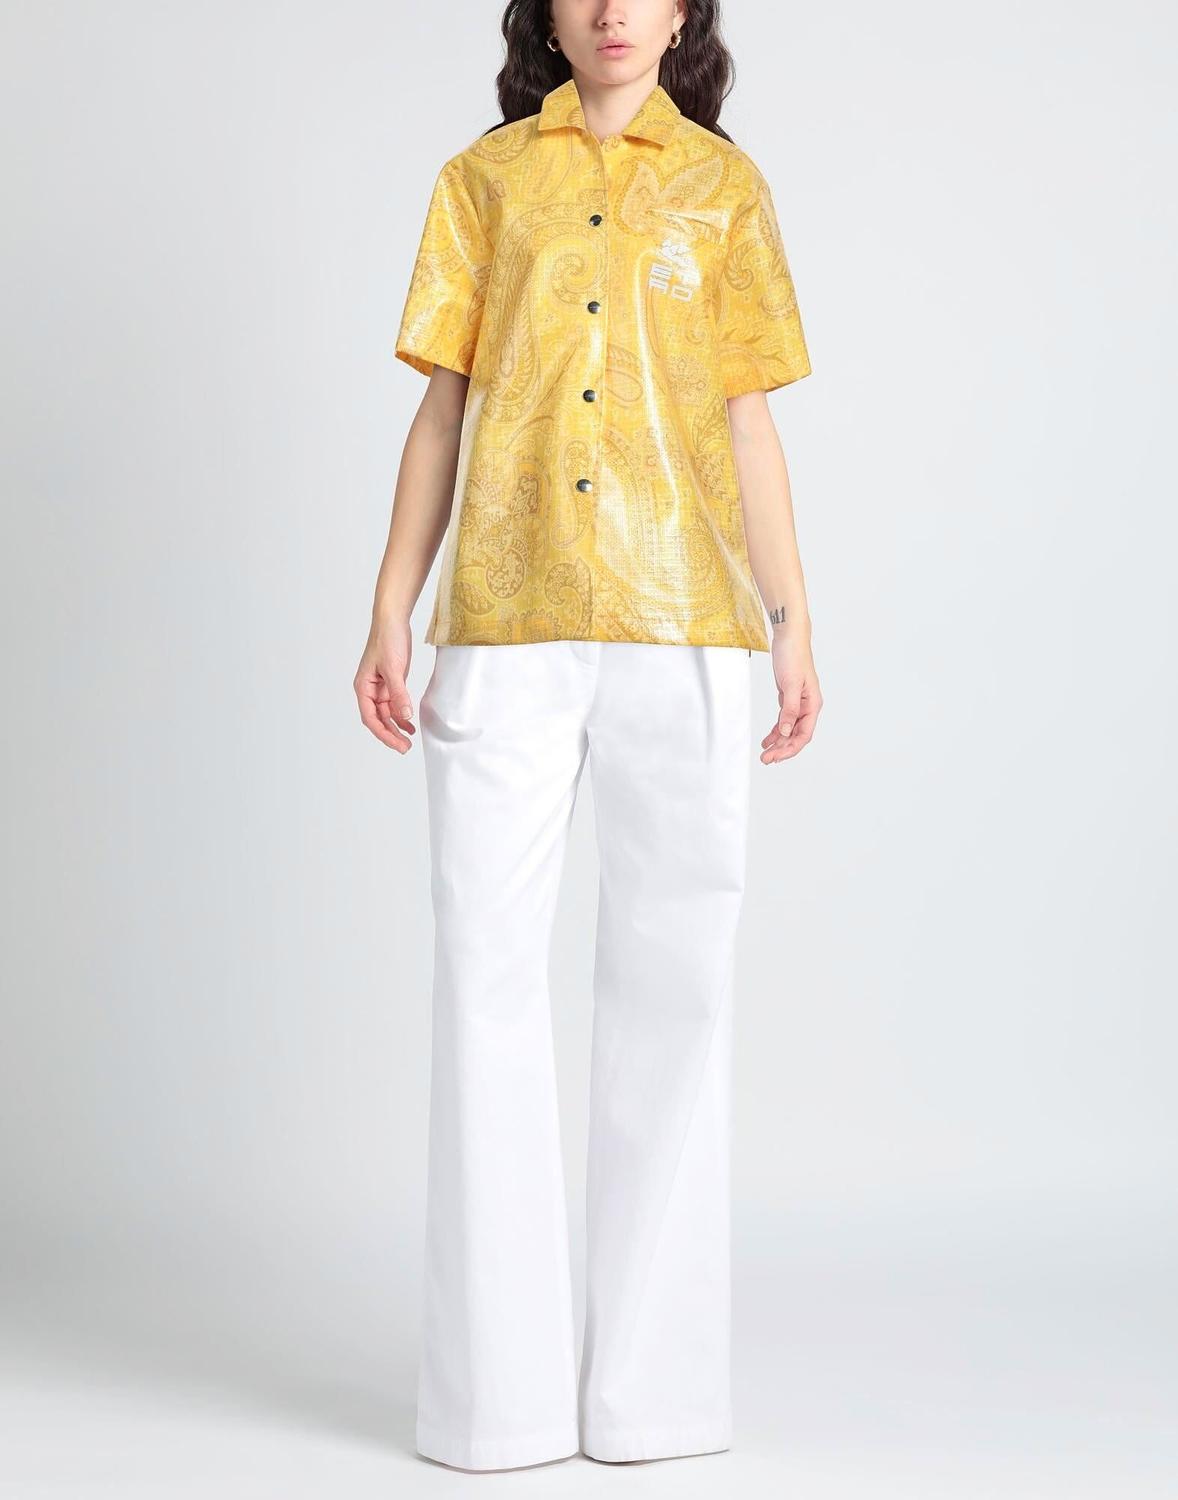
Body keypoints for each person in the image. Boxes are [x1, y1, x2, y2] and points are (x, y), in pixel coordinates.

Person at [354, 0, 823, 1473]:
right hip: (504, 625)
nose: (614, 10)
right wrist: (390, 606)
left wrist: (793, 621)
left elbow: (747, 424)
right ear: (543, 12)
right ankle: (491, 1408)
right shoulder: (483, 181)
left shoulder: (725, 188)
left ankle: (654, 1401)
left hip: (689, 626)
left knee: (678, 996)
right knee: (485, 984)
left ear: (684, 14)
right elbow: (444, 413)